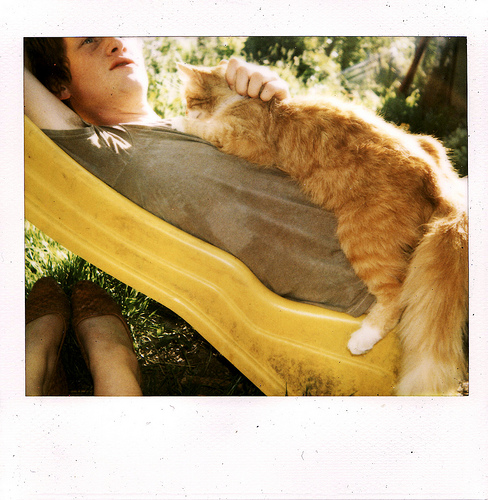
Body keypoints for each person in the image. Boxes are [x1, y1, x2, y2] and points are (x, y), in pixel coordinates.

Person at [24, 37, 375, 395]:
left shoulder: (204, 120)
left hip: (384, 229)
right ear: (59, 85)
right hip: (372, 289)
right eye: (89, 40)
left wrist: (278, 108)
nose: (115, 43)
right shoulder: (105, 151)